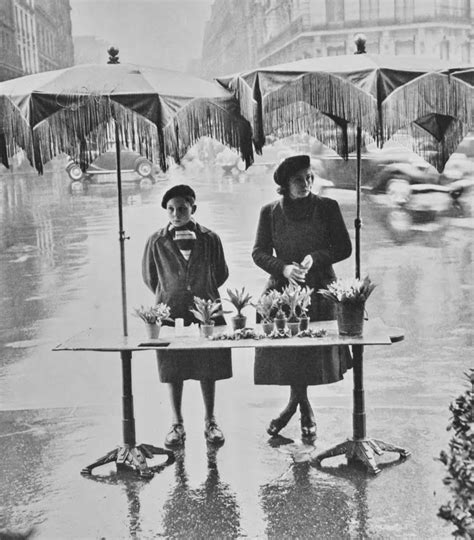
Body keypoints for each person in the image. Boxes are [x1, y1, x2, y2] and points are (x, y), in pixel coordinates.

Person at [252, 155, 352, 439]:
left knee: (310, 353)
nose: (307, 183)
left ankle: (294, 408)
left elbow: (344, 248)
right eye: (299, 179)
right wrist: (283, 268)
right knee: (290, 353)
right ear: (285, 184)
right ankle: (302, 407)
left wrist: (315, 258)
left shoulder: (327, 208)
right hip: (283, 292)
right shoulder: (269, 212)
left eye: (310, 177)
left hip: (320, 287)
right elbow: (258, 252)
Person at [142, 184, 231, 447]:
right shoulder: (157, 241)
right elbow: (150, 277)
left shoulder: (210, 238)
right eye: (170, 209)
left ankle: (210, 420)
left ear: (193, 208)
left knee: (208, 366)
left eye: (182, 208)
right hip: (171, 310)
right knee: (173, 368)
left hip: (205, 309)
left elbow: (221, 272)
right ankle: (176, 423)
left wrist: (201, 287)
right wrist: (171, 291)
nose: (176, 214)